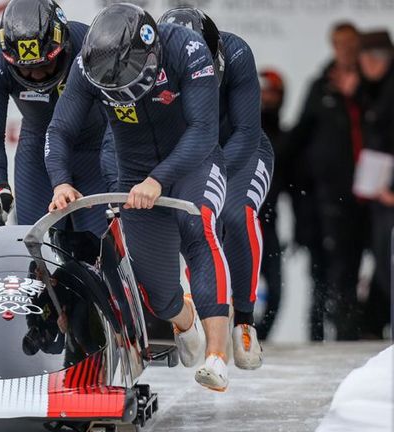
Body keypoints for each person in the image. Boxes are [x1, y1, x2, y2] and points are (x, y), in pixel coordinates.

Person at [46, 4, 231, 391]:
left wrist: (159, 179)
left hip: (191, 162)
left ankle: (217, 356)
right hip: (134, 173)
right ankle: (184, 317)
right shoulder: (86, 66)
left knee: (200, 232)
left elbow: (202, 130)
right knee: (159, 297)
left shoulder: (188, 50)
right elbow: (60, 129)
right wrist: (61, 181)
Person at [157, 8, 274, 370]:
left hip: (240, 152)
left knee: (235, 215)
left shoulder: (237, 54)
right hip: (191, 154)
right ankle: (198, 311)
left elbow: (247, 132)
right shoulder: (152, 64)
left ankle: (244, 320)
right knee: (197, 221)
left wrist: (209, 171)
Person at [0, 0, 110, 232]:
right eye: (26, 69)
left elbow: (118, 116)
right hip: (37, 146)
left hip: (94, 150)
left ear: (64, 46)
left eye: (46, 65)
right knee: (35, 244)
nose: (37, 76)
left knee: (96, 247)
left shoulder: (91, 46)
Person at [291, 22, 366, 340]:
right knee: (328, 267)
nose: (346, 49)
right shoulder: (320, 86)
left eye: (352, 43)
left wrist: (359, 93)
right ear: (333, 46)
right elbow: (299, 137)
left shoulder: (375, 85)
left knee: (357, 265)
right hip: (328, 195)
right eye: (340, 43)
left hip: (370, 194)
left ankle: (359, 328)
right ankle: (324, 332)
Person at [357, 30, 394, 339]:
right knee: (382, 265)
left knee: (387, 264)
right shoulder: (373, 90)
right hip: (379, 193)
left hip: (388, 193)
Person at [256, 69, 286, 340]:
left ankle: (260, 336)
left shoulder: (284, 138)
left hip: (269, 220)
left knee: (275, 291)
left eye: (273, 92)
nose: (267, 97)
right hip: (241, 218)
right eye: (263, 91)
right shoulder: (242, 130)